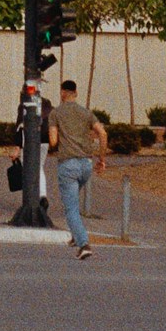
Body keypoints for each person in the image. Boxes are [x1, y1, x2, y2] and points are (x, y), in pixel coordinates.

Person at [46, 76, 106, 258]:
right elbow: (103, 133)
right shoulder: (86, 113)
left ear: (62, 93)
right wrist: (101, 158)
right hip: (86, 164)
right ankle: (75, 235)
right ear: (76, 93)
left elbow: (53, 141)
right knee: (74, 199)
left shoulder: (55, 114)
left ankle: (84, 244)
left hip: (68, 164)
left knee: (71, 208)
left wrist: (51, 143)